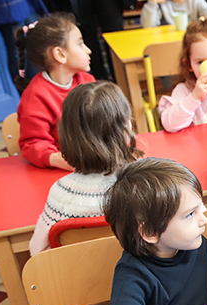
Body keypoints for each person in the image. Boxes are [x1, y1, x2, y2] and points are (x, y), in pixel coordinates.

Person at [103, 158, 207, 305]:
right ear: (150, 232)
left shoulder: (199, 246)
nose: (204, 219)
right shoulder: (132, 274)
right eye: (190, 214)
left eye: (200, 207)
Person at [29, 81, 143, 255]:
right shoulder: (146, 182)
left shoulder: (60, 193)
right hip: (142, 278)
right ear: (126, 127)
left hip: (81, 280)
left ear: (66, 134)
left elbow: (37, 251)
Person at [15, 12, 95, 169]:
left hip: (96, 163)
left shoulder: (88, 81)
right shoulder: (35, 96)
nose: (88, 50)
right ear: (60, 54)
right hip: (65, 172)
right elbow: (33, 143)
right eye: (80, 44)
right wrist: (59, 160)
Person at [158, 17, 207, 132]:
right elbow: (170, 125)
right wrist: (194, 97)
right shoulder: (184, 91)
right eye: (200, 62)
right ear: (189, 64)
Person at [140, 0, 207, 28]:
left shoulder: (195, 1)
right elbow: (148, 26)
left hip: (191, 39)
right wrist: (152, 3)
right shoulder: (162, 4)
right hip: (169, 42)